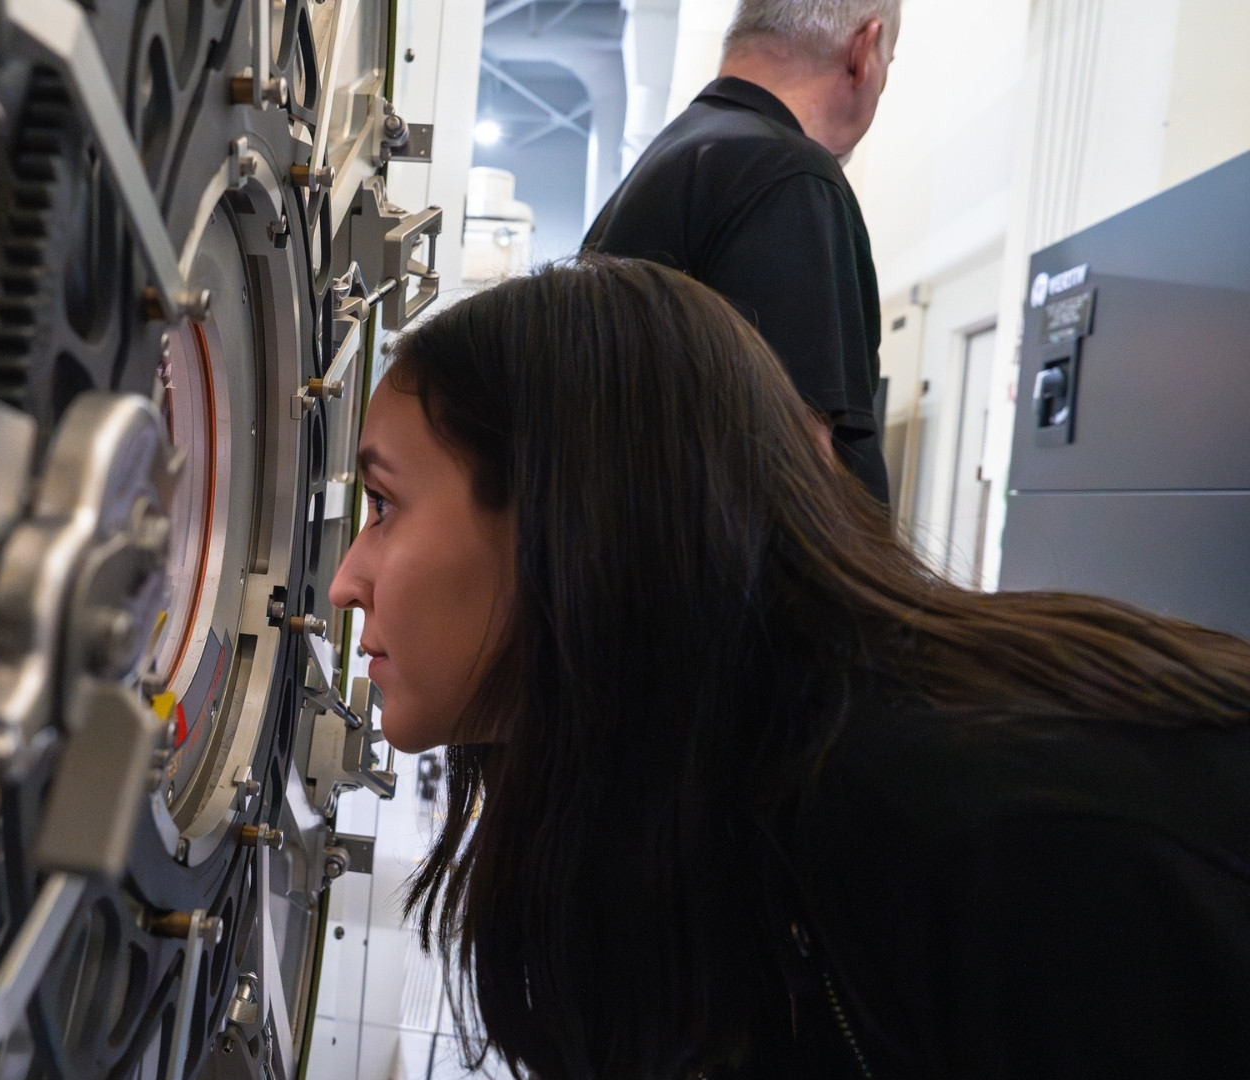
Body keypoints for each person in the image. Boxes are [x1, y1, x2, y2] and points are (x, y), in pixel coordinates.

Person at [329, 257, 1250, 1079]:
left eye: (382, 504)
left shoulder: (996, 836)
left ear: (563, 521)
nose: (344, 583)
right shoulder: (670, 811)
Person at [584, 0, 898, 505]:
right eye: (889, 62)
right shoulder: (788, 175)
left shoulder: (664, 166)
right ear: (863, 52)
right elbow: (797, 467)